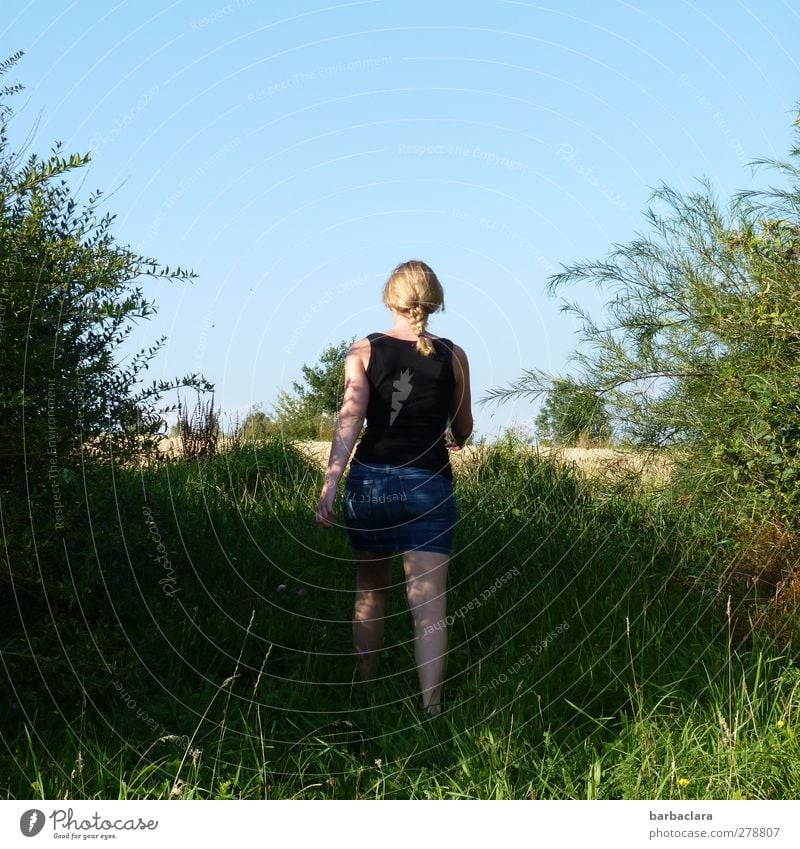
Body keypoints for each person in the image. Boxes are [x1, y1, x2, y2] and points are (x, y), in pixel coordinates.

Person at [314, 259, 473, 716]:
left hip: (369, 486)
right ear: (434, 300)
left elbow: (349, 422)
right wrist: (454, 439)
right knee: (428, 606)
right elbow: (462, 426)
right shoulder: (454, 356)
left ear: (390, 299)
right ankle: (431, 709)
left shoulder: (362, 351)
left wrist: (330, 485)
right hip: (428, 486)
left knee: (369, 591)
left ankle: (365, 693)